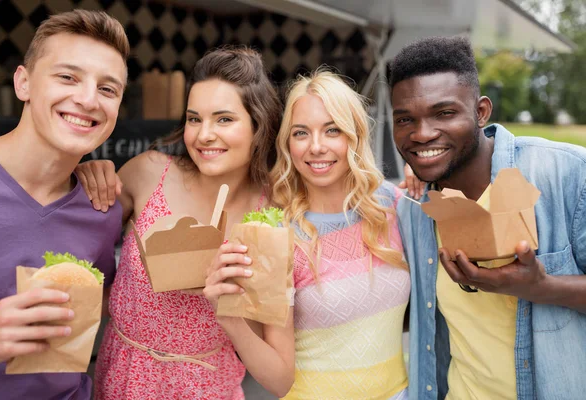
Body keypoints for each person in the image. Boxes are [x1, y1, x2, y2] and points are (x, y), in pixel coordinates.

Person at [75, 47, 286, 399]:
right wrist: (84, 174)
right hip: (123, 381)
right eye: (193, 119)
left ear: (258, 125)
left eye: (224, 119)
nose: (203, 135)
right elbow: (81, 234)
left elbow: (279, 378)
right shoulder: (149, 172)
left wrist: (230, 315)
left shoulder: (272, 214)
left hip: (209, 387)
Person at [389, 36, 586, 400]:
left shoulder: (566, 175)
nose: (422, 133)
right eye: (405, 120)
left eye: (444, 113)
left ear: (481, 112)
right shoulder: (414, 210)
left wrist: (541, 287)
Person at [204, 70, 410, 399]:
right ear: (288, 144)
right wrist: (228, 316)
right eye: (301, 133)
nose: (316, 147)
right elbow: (278, 380)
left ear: (354, 135)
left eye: (332, 130)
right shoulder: (275, 237)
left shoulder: (396, 207)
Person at [0, 10, 127, 400]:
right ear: (24, 82)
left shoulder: (102, 208)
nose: (86, 100)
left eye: (108, 89)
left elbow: (93, 302)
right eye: (68, 77)